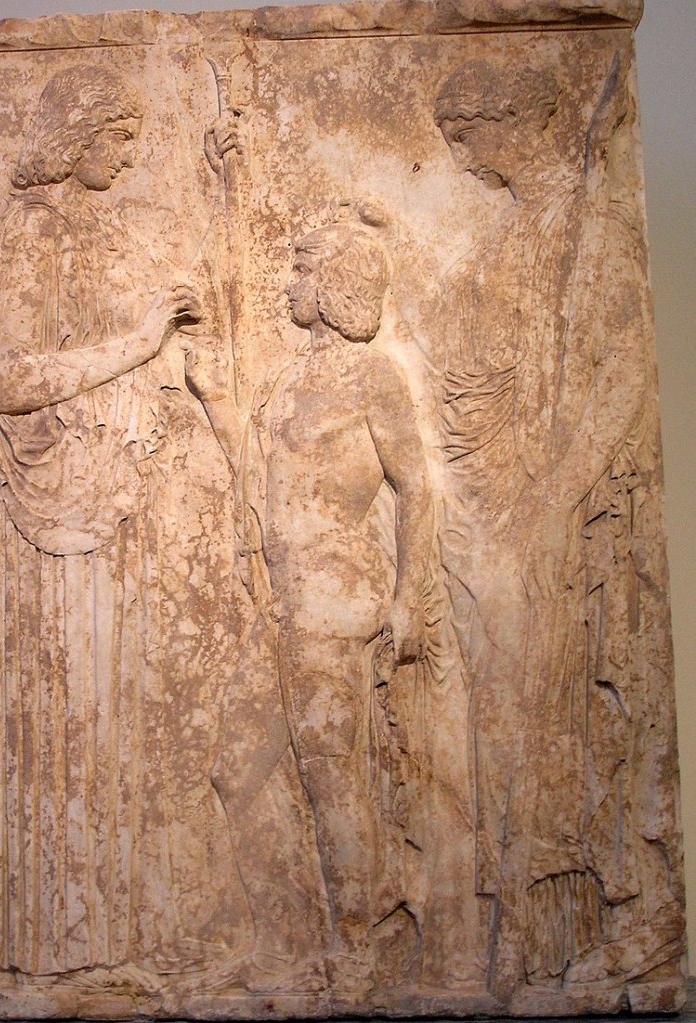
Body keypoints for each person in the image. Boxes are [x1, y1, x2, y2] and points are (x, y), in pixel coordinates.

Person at [432, 57, 684, 1001]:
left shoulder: (587, 224)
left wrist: (551, 500)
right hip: (496, 513)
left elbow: (619, 378)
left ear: (511, 120)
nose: (461, 158)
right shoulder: (510, 231)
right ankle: (524, 942)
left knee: (566, 723)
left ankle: (594, 930)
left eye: (467, 136)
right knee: (507, 724)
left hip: (569, 526)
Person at [0, 64, 201, 978]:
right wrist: (139, 343)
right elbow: (11, 380)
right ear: (75, 135)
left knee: (137, 718)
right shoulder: (29, 233)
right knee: (80, 721)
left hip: (125, 495)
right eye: (117, 136)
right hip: (67, 515)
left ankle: (132, 935)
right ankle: (64, 950)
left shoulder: (102, 230)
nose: (129, 155)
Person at [184, 208, 434, 997]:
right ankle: (285, 938)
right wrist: (216, 399)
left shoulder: (373, 375)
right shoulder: (289, 376)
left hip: (332, 593)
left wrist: (410, 594)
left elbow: (415, 484)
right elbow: (259, 476)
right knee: (234, 772)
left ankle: (354, 950)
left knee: (329, 774)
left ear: (333, 285)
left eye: (300, 271)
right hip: (283, 600)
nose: (288, 284)